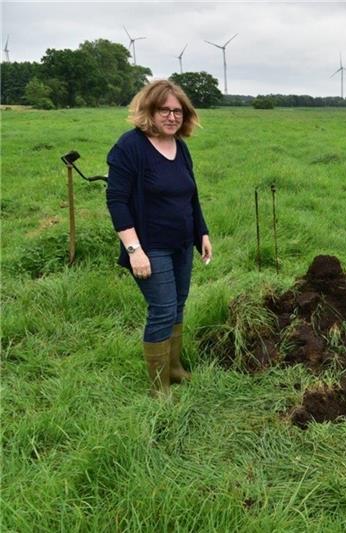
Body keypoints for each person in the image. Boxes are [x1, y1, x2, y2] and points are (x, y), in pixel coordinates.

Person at [106, 80, 212, 397]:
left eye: (177, 111)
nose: (171, 116)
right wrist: (134, 250)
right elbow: (117, 201)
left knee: (178, 306)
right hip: (150, 247)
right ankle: (158, 386)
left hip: (181, 244)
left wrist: (201, 232)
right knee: (163, 309)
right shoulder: (130, 147)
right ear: (149, 111)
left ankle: (175, 368)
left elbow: (190, 196)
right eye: (163, 110)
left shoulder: (180, 147)